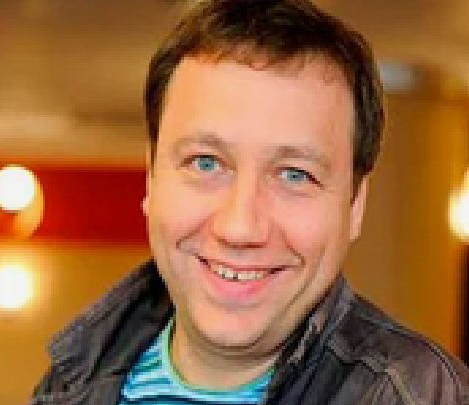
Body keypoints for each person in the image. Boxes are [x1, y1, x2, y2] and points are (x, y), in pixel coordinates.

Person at [30, 0, 469, 404]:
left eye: (294, 174)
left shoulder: (421, 395)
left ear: (355, 206)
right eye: (205, 163)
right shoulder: (69, 384)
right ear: (152, 177)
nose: (240, 227)